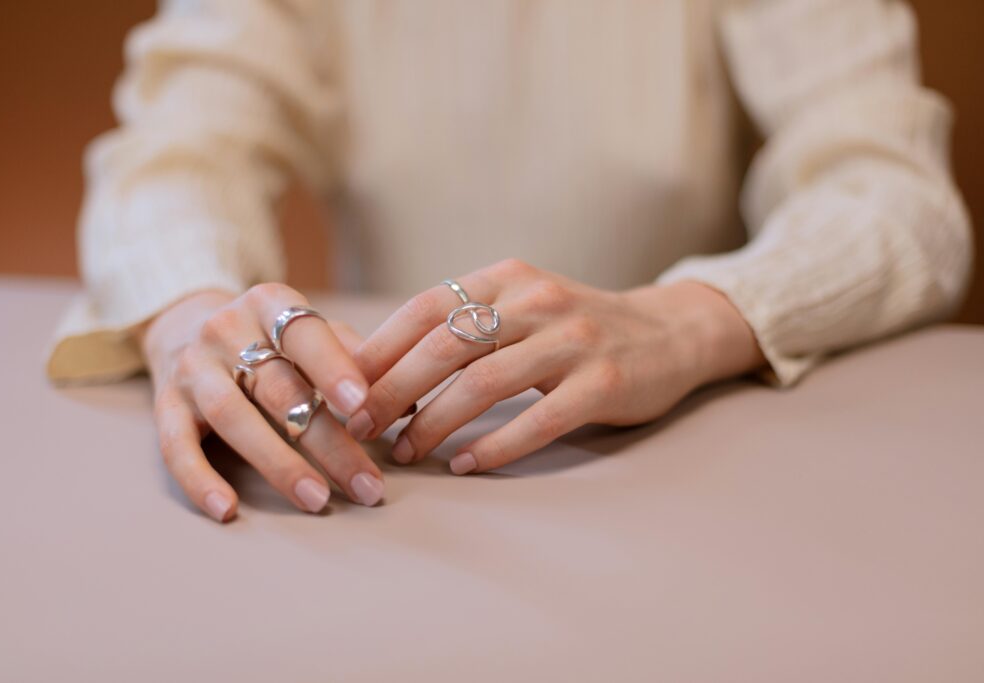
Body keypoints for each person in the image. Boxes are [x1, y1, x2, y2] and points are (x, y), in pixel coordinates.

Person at [48, 0, 972, 523]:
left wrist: (691, 318)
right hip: (397, 482)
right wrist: (189, 305)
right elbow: (173, 154)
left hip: (693, 480)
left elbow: (901, 198)